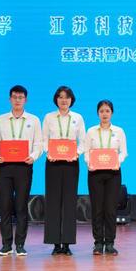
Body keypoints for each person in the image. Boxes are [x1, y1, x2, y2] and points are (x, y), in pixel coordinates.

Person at [0, 85, 42, 256]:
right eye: (14, 97)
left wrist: (33, 157)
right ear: (9, 99)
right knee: (5, 205)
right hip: (4, 166)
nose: (17, 100)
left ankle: (20, 244)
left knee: (21, 206)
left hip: (24, 167)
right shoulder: (1, 119)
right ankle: (6, 245)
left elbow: (38, 143)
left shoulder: (34, 120)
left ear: (25, 100)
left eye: (20, 97)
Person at [42, 86, 87, 256]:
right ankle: (55, 243)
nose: (63, 100)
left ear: (71, 100)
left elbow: (83, 141)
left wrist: (76, 154)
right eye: (60, 97)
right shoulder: (49, 117)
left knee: (69, 202)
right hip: (53, 163)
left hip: (71, 163)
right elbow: (44, 139)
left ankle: (67, 243)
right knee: (53, 202)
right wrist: (49, 152)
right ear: (56, 99)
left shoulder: (78, 118)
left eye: (67, 97)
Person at [84, 100, 128, 255]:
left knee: (110, 209)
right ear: (98, 113)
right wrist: (90, 163)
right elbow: (86, 152)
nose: (104, 114)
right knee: (97, 209)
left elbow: (123, 152)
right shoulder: (91, 131)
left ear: (112, 113)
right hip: (95, 173)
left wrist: (117, 161)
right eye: (101, 111)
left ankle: (109, 243)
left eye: (107, 111)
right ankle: (98, 243)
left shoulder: (119, 131)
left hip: (113, 173)